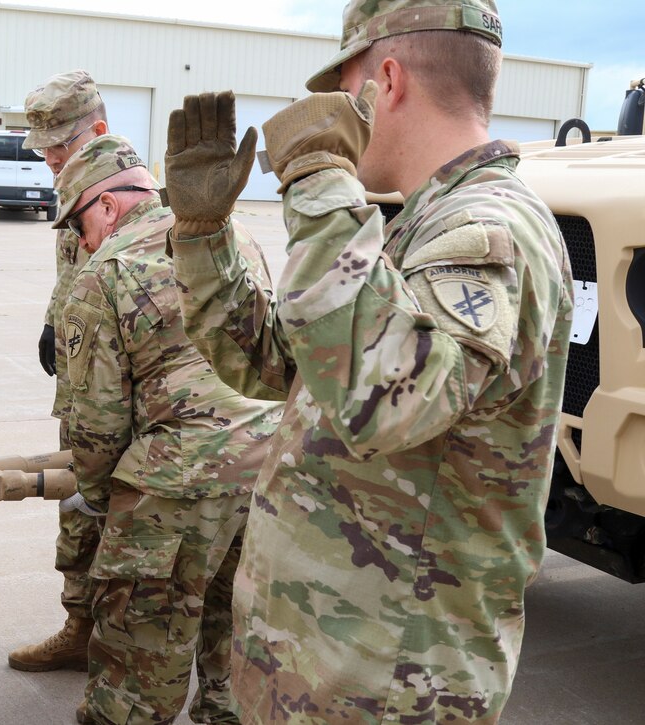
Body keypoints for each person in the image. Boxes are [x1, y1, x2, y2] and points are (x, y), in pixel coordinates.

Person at [164, 1, 573, 722]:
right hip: (329, 671)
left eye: (343, 86)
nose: (334, 108)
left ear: (386, 80)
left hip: (388, 686)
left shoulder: (486, 228)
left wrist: (319, 179)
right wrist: (203, 237)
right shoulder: (421, 220)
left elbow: (382, 397)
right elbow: (290, 368)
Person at [54, 135, 284, 724]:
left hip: (175, 486)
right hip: (267, 469)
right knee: (234, 637)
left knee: (139, 662)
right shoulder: (235, 239)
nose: (80, 240)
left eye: (77, 222)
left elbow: (96, 421)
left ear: (106, 206)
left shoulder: (105, 273)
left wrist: (106, 501)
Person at [7, 69, 110, 672]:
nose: (48, 158)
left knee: (129, 522)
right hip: (80, 395)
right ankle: (79, 626)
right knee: (76, 509)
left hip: (128, 399)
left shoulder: (143, 198)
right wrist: (53, 320)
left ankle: (135, 644)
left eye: (59, 144)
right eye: (42, 147)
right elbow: (68, 273)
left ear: (97, 130)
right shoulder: (74, 192)